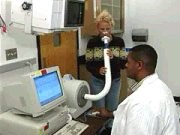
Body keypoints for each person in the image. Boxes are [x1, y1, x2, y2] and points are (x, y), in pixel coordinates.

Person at [111, 44, 180, 135]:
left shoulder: (142, 103)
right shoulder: (160, 87)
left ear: (139, 65)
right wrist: (111, 114)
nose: (126, 65)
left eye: (128, 62)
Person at [85, 10, 126, 117]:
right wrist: (98, 70)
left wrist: (113, 57)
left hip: (114, 81)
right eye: (102, 29)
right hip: (97, 81)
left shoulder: (119, 42)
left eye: (108, 29)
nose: (105, 32)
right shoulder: (92, 43)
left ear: (111, 28)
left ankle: (110, 128)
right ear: (98, 28)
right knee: (100, 110)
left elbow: (123, 64)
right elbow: (88, 64)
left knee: (111, 108)